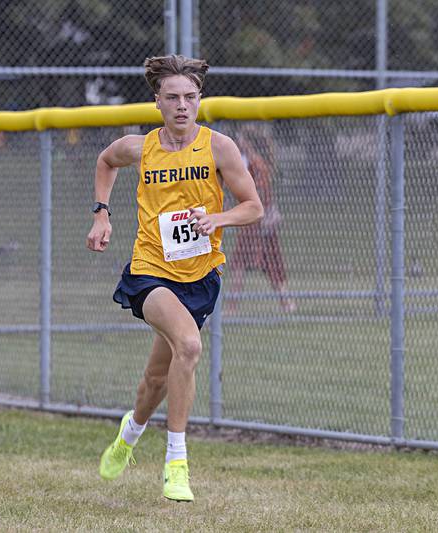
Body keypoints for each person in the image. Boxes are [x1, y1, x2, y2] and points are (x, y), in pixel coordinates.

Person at [86, 55, 263, 501]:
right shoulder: (140, 147)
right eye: (173, 98)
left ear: (199, 101)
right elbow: (105, 161)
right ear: (158, 103)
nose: (182, 105)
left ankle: (129, 434)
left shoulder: (219, 147)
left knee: (155, 380)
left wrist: (216, 218)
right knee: (189, 345)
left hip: (201, 276)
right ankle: (177, 462)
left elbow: (253, 207)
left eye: (190, 97)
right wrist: (102, 214)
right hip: (150, 271)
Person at [231, 125, 295, 312]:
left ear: (249, 142)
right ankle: (232, 307)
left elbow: (260, 193)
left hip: (260, 221)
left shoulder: (257, 165)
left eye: (241, 138)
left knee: (272, 264)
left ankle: (287, 303)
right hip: (251, 222)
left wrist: (267, 214)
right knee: (240, 263)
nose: (238, 142)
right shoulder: (244, 162)